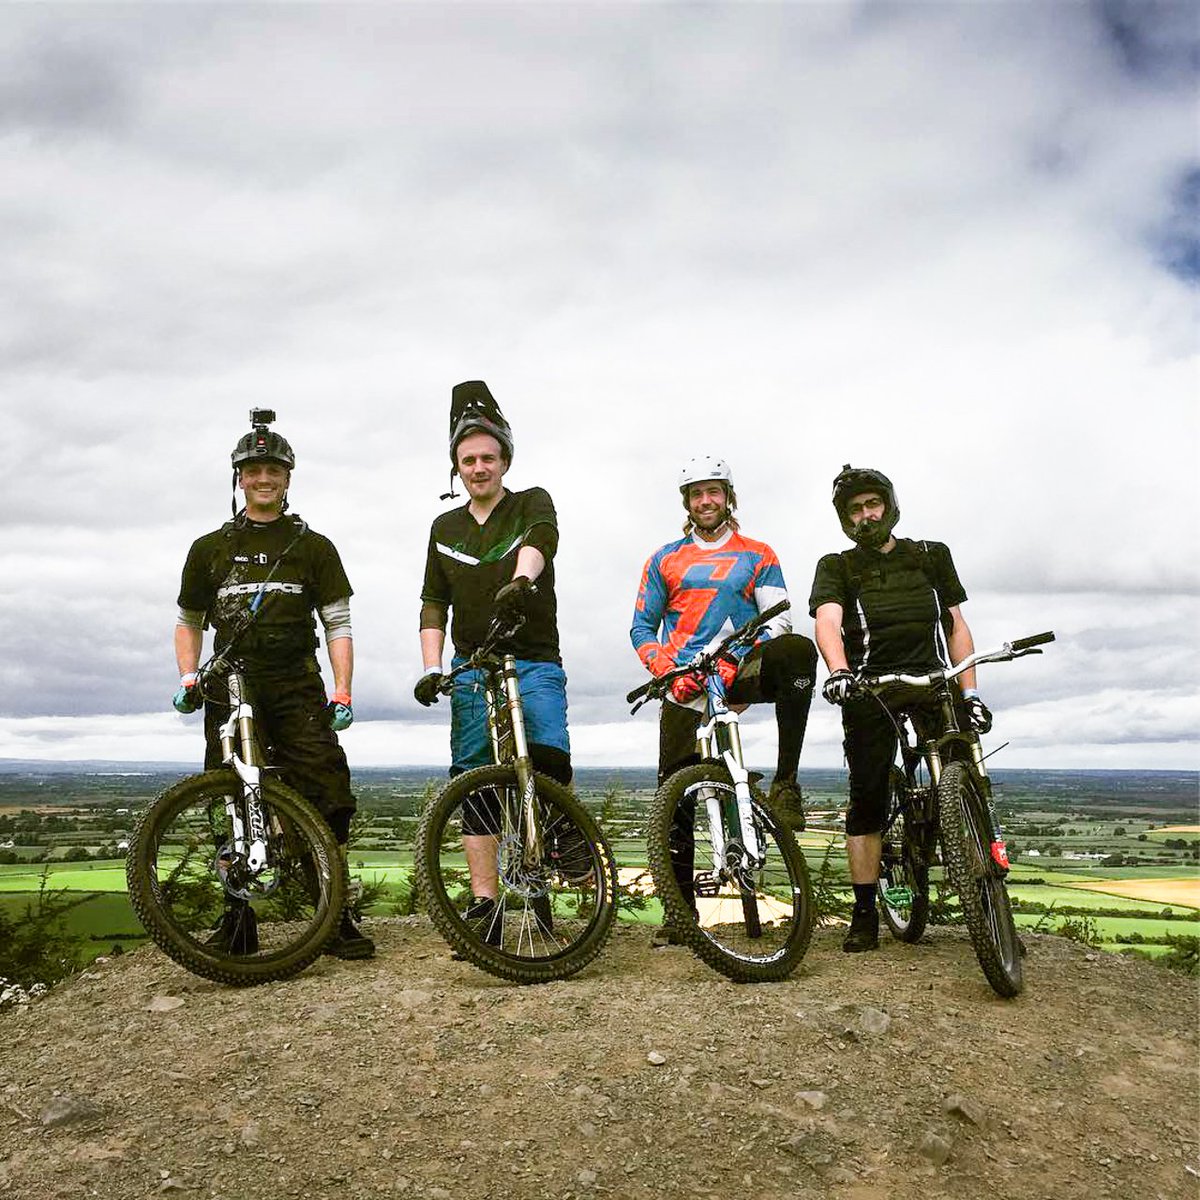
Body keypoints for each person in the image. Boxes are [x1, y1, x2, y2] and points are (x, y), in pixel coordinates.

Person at [173, 410, 373, 960]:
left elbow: (338, 624)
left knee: (326, 791)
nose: (264, 478)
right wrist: (189, 676)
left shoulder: (314, 547)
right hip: (230, 681)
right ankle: (237, 919)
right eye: (253, 469)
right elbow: (189, 621)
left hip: (295, 680)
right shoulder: (208, 548)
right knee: (226, 793)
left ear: (288, 477)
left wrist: (343, 691)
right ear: (239, 477)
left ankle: (333, 914)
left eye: (274, 469)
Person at [630, 456, 818, 938]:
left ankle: (787, 784)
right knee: (673, 797)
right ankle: (680, 913)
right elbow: (641, 628)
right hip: (684, 684)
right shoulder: (663, 559)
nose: (705, 501)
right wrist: (667, 673)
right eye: (696, 493)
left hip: (739, 669)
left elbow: (778, 619)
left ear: (728, 496)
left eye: (713, 491)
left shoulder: (759, 553)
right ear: (686, 503)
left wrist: (737, 658)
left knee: (798, 651)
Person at [809, 464, 992, 953]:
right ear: (845, 520)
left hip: (934, 680)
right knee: (867, 797)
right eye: (855, 510)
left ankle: (990, 901)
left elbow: (956, 625)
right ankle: (866, 910)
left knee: (966, 777)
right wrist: (840, 672)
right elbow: (827, 621)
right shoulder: (838, 566)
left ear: (890, 505)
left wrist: (970, 691)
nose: (866, 516)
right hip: (870, 688)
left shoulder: (931, 556)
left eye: (873, 505)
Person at [414, 381, 571, 941]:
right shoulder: (444, 528)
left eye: (488, 457)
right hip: (469, 664)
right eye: (467, 460)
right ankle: (486, 903)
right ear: (455, 468)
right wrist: (433, 668)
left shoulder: (530, 501)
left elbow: (541, 539)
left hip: (531, 657)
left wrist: (522, 582)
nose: (478, 468)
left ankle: (544, 876)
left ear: (504, 460)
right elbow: (433, 604)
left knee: (547, 758)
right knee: (476, 778)